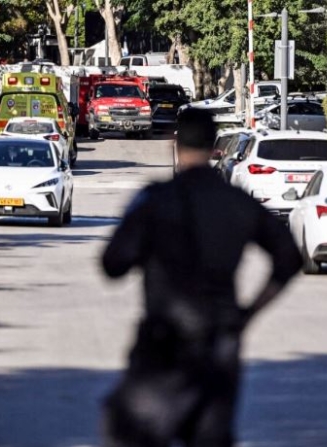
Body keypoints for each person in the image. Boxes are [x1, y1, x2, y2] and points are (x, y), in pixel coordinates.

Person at [100, 108, 303, 447]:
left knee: (133, 432)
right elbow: (289, 257)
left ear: (175, 145)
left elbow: (113, 264)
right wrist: (248, 313)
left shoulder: (154, 200)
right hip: (220, 343)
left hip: (165, 345)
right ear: (214, 149)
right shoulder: (236, 202)